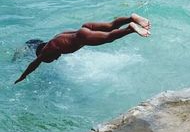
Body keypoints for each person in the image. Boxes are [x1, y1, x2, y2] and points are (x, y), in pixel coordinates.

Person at [14, 13, 151, 84]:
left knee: (109, 37)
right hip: (84, 28)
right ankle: (130, 18)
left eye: (51, 59)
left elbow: (35, 63)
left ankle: (130, 28)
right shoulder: (55, 39)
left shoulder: (46, 51)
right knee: (111, 26)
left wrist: (22, 76)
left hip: (82, 37)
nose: (56, 58)